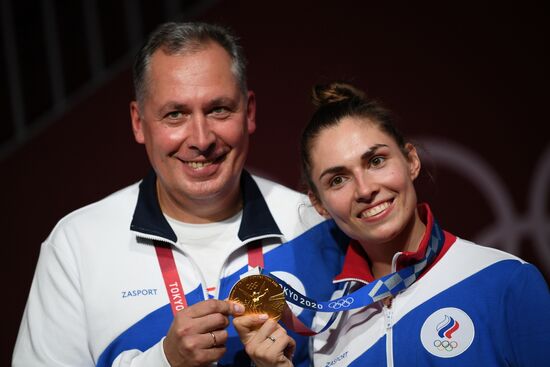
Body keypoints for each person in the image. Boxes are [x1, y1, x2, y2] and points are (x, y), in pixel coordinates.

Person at [12, 22, 348, 367]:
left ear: (249, 112)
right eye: (175, 114)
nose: (201, 139)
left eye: (218, 109)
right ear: (139, 123)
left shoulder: (314, 225)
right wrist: (164, 361)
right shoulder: (77, 244)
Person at [233, 81, 550, 366]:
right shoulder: (329, 327)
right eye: (338, 179)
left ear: (411, 160)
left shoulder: (506, 281)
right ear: (319, 204)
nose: (366, 189)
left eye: (376, 161)